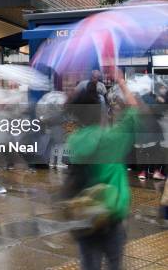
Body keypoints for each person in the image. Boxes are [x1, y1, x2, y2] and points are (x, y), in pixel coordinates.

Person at [65, 74, 138, 270]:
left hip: (84, 213)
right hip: (112, 215)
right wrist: (121, 82)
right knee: (114, 263)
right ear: (100, 112)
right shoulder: (112, 139)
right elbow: (134, 113)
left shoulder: (73, 140)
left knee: (89, 264)